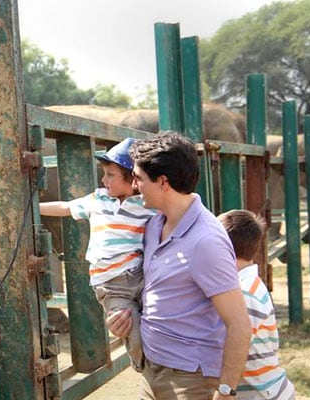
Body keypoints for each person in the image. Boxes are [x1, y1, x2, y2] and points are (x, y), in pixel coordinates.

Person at [107, 132, 252, 399]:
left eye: (138, 178)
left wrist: (226, 389)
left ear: (163, 182)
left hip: (192, 380)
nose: (135, 186)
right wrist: (126, 319)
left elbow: (239, 324)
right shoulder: (154, 225)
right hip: (152, 373)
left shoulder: (205, 242)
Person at [40, 137, 155, 372]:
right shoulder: (98, 199)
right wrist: (34, 207)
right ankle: (148, 372)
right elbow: (66, 207)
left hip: (142, 278)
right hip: (112, 285)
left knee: (158, 325)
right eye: (104, 174)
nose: (104, 180)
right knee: (131, 331)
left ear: (134, 179)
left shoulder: (147, 205)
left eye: (110, 175)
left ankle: (166, 367)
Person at [217, 209, 296, 400]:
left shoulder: (242, 294)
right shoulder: (248, 283)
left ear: (223, 247)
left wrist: (225, 391)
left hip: (260, 394)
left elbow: (236, 345)